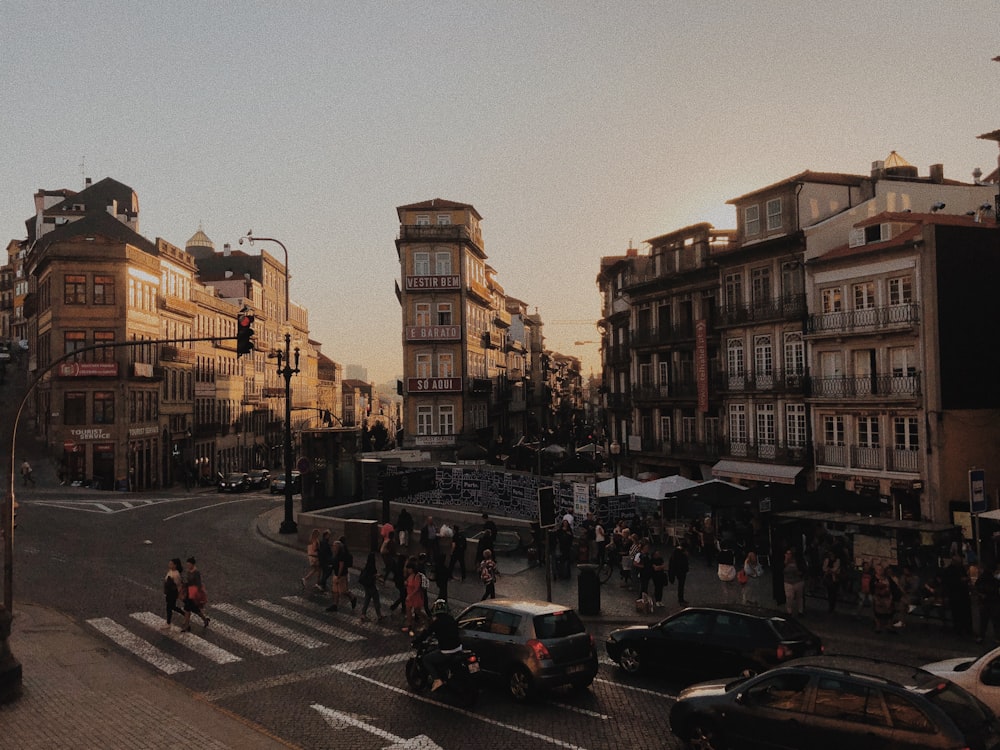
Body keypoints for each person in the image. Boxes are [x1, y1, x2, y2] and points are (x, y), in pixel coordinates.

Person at [414, 599, 463, 692]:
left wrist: (416, 641)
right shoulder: (451, 619)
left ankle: (437, 680)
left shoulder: (436, 623)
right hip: (458, 648)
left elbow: (426, 633)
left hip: (447, 651)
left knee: (426, 659)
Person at [181, 557, 209, 632]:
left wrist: (197, 594)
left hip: (193, 593)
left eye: (189, 564)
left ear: (193, 564)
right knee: (193, 609)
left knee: (188, 609)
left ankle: (187, 626)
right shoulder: (188, 571)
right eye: (187, 564)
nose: (188, 566)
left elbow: (198, 584)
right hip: (189, 591)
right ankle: (205, 620)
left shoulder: (196, 572)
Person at [357, 552, 384, 623]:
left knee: (367, 599)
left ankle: (363, 614)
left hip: (366, 586)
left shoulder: (366, 567)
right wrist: (378, 578)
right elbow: (373, 576)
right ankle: (379, 615)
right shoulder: (372, 567)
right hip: (371, 586)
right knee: (376, 600)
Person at [161, 558, 185, 630]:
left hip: (172, 593)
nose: (169, 565)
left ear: (175, 565)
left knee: (169, 607)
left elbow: (178, 585)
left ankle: (168, 623)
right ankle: (184, 614)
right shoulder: (171, 571)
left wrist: (178, 593)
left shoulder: (176, 574)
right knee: (172, 607)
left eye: (171, 564)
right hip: (169, 592)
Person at [403, 559, 425, 635]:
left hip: (415, 597)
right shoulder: (410, 576)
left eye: (409, 569)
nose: (408, 570)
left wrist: (410, 595)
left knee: (417, 611)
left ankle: (426, 621)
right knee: (408, 611)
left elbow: (417, 588)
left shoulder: (417, 576)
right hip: (410, 596)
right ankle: (409, 626)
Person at [782, 548, 806, 617]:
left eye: (789, 554)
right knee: (789, 597)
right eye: (787, 553)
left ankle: (800, 611)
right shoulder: (784, 561)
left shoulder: (798, 561)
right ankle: (789, 612)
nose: (787, 555)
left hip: (798, 581)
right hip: (788, 582)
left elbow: (803, 568)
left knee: (799, 597)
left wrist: (800, 573)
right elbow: (781, 570)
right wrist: (785, 562)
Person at [821, 548, 841, 613]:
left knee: (834, 593)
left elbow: (836, 569)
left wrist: (830, 570)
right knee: (830, 592)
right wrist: (829, 570)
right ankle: (830, 605)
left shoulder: (837, 560)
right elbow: (824, 568)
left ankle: (832, 606)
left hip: (834, 578)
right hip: (828, 578)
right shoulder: (827, 560)